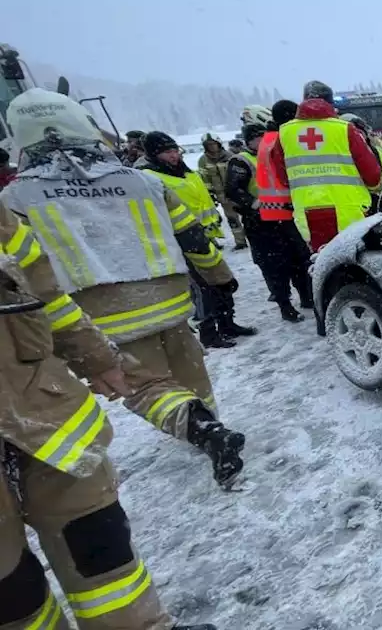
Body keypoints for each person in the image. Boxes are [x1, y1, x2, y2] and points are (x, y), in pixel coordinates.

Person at [0, 89, 247, 487]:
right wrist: (218, 275)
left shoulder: (15, 198)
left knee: (143, 384)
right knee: (188, 362)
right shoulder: (142, 182)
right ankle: (209, 418)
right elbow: (193, 237)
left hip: (103, 310)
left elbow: (24, 275)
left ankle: (204, 431)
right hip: (169, 298)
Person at [0, 206, 218, 630]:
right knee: (11, 588)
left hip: (46, 413)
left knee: (99, 542)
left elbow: (45, 293)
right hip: (39, 404)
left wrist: (94, 356)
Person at [138, 131, 257, 349]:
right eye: (167, 152)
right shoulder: (149, 178)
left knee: (221, 283)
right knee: (202, 290)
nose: (173, 156)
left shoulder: (185, 172)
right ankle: (209, 333)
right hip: (182, 243)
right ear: (154, 155)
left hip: (205, 238)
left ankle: (227, 323)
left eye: (175, 150)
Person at [268, 81, 381, 252]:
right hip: (349, 211)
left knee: (323, 264)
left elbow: (283, 179)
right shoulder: (345, 129)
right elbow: (373, 177)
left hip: (308, 215)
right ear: (330, 103)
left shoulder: (285, 133)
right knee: (354, 262)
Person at [224, 118, 313, 322]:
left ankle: (305, 296)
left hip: (285, 216)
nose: (262, 141)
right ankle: (285, 304)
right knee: (274, 264)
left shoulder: (275, 154)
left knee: (297, 259)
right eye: (257, 138)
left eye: (263, 136)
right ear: (248, 141)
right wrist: (253, 204)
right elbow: (233, 189)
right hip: (260, 221)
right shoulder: (241, 161)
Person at [197, 133, 248, 250]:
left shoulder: (230, 156)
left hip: (238, 194)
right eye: (208, 145)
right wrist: (210, 195)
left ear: (218, 143)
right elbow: (204, 179)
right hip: (222, 197)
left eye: (213, 144)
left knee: (247, 217)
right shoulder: (203, 161)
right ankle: (240, 242)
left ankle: (254, 237)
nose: (212, 147)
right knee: (232, 219)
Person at [341, 112, 382, 209]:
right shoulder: (346, 151)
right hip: (363, 198)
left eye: (360, 130)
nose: (359, 134)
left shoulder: (377, 143)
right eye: (355, 131)